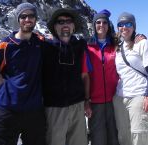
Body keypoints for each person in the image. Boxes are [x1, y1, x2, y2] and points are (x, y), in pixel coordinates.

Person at [0, 2, 46, 145]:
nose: (27, 19)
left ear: (35, 19)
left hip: (34, 111)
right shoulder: (4, 46)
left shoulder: (40, 43)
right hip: (6, 110)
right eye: (23, 16)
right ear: (18, 19)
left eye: (31, 16)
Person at [42, 8, 90, 145]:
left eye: (69, 21)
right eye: (60, 21)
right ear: (54, 27)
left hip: (77, 106)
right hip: (54, 109)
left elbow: (85, 76)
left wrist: (87, 100)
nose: (65, 24)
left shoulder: (80, 47)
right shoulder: (45, 47)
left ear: (74, 26)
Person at [113, 12, 148, 145]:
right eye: (121, 24)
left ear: (134, 26)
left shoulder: (142, 43)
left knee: (139, 137)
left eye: (128, 24)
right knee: (123, 136)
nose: (124, 27)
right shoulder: (118, 48)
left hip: (139, 96)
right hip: (120, 98)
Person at [85, 10, 120, 145]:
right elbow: (85, 75)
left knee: (114, 137)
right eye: (98, 22)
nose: (101, 25)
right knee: (98, 139)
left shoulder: (115, 46)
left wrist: (140, 36)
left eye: (104, 22)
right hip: (95, 102)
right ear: (94, 25)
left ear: (108, 25)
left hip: (114, 100)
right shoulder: (88, 47)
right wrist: (86, 100)